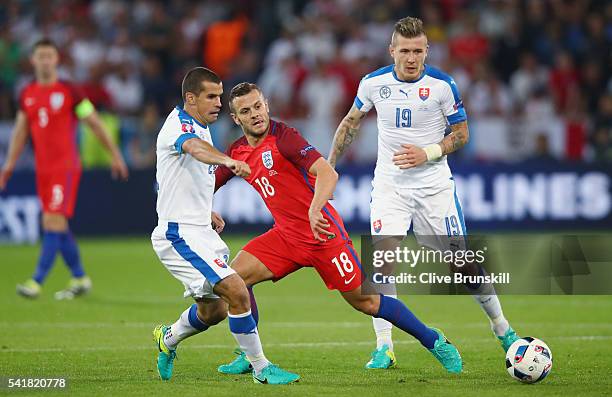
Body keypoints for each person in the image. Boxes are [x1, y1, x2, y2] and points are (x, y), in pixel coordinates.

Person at [214, 82, 462, 376]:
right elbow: (211, 181)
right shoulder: (237, 150)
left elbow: (327, 173)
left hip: (323, 235)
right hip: (286, 236)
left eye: (258, 106)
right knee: (232, 280)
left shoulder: (285, 138)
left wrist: (316, 207)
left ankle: (433, 340)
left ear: (266, 105)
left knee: (367, 301)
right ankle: (248, 353)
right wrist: (207, 208)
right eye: (246, 111)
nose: (255, 114)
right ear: (236, 119)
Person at [327, 16, 520, 369]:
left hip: (434, 189)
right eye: (405, 51)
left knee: (463, 265)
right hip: (389, 188)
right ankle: (384, 347)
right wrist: (329, 166)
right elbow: (350, 123)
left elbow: (462, 134)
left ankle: (502, 328)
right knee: (382, 264)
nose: (412, 58)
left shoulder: (443, 86)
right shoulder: (373, 84)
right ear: (392, 51)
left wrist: (427, 152)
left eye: (418, 51)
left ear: (427, 51)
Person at [150, 67, 299, 385]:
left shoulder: (203, 126)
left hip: (199, 230)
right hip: (179, 234)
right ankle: (261, 368)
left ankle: (168, 338)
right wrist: (226, 160)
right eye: (212, 96)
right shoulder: (180, 127)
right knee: (237, 290)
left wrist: (207, 209)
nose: (219, 102)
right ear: (191, 98)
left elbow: (186, 174)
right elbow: (194, 149)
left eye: (220, 95)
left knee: (214, 311)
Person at [0, 38, 129, 300]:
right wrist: (9, 165)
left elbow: (94, 123)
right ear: (33, 60)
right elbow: (20, 131)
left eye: (50, 55)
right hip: (43, 170)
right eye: (41, 56)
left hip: (65, 167)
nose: (45, 60)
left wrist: (115, 155)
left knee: (52, 220)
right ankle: (80, 277)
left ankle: (36, 281)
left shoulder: (70, 91)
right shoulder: (27, 94)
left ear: (56, 60)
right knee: (57, 223)